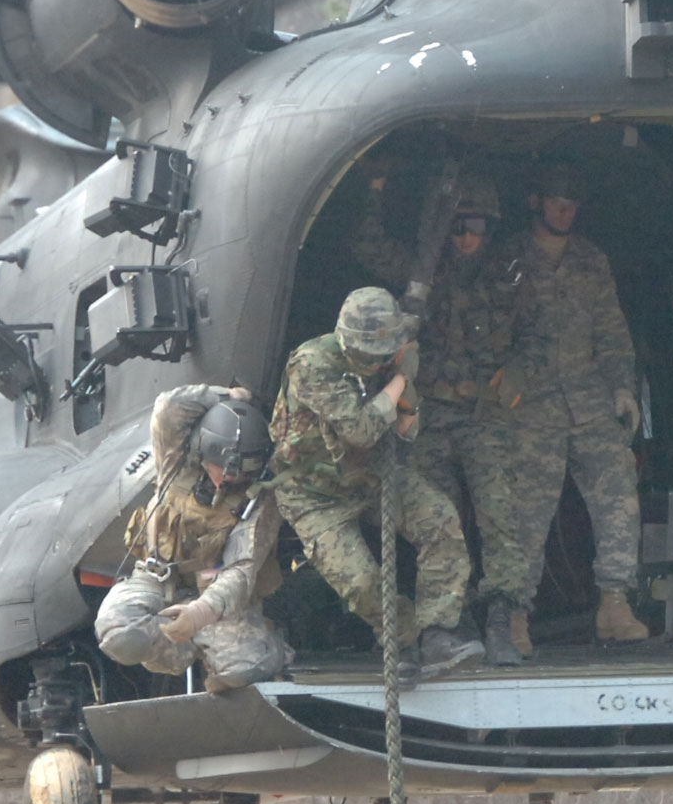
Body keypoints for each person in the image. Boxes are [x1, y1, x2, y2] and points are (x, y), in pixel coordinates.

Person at [352, 168, 528, 666]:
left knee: (501, 519)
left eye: (477, 227)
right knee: (440, 525)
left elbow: (539, 336)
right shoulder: (420, 271)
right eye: (458, 227)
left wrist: (517, 374)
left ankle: (501, 620)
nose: (468, 238)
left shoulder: (509, 277)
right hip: (429, 417)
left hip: (484, 415)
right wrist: (375, 187)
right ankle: (454, 621)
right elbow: (367, 245)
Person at [268, 286, 484, 681]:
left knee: (439, 519)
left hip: (370, 476)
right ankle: (404, 638)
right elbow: (361, 430)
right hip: (314, 495)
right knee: (363, 582)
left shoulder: (387, 361)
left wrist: (405, 393)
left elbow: (407, 430)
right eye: (371, 356)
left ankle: (438, 632)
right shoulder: (313, 364)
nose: (376, 362)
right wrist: (401, 378)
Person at [485, 159, 649, 646]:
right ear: (537, 202)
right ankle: (515, 617)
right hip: (530, 406)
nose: (565, 211)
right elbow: (489, 332)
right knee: (525, 515)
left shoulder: (590, 260)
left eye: (572, 204)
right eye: (557, 201)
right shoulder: (507, 259)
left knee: (619, 498)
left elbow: (611, 331)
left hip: (589, 399)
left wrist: (623, 387)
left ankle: (615, 605)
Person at [96, 385, 293, 691]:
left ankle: (270, 647)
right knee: (119, 635)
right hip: (156, 579)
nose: (229, 478)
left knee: (246, 670)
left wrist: (200, 613)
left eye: (242, 472)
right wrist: (228, 397)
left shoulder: (259, 500)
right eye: (221, 466)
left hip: (219, 599)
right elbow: (169, 406)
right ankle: (187, 648)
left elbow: (241, 570)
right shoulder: (174, 463)